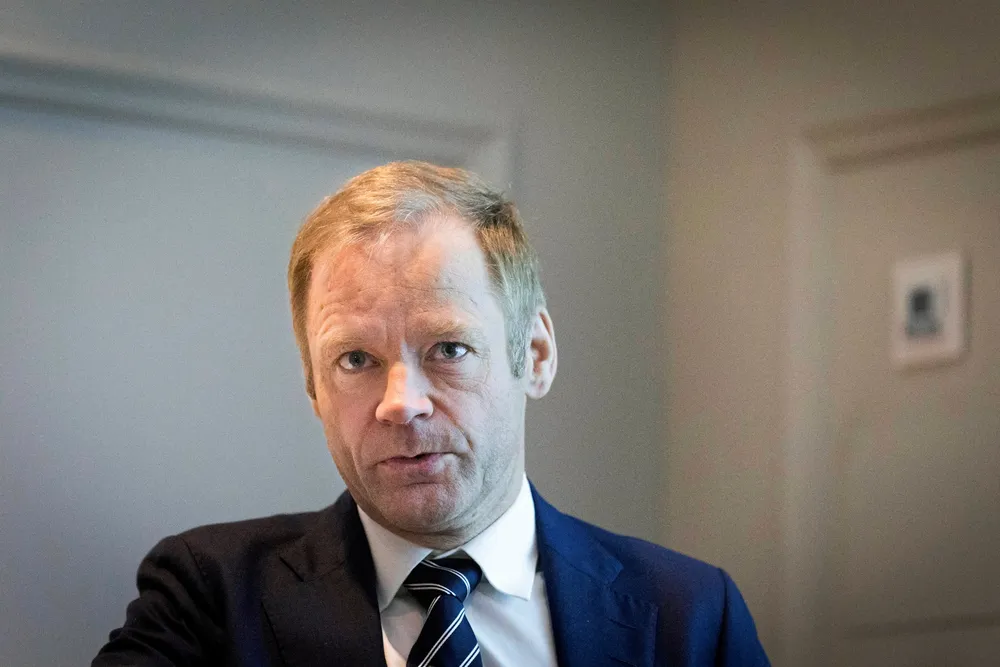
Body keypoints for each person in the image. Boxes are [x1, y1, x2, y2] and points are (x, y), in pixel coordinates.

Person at [92, 161, 770, 666]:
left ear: (534, 355)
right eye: (355, 359)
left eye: (448, 348)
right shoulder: (210, 597)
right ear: (312, 386)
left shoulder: (687, 614)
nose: (400, 402)